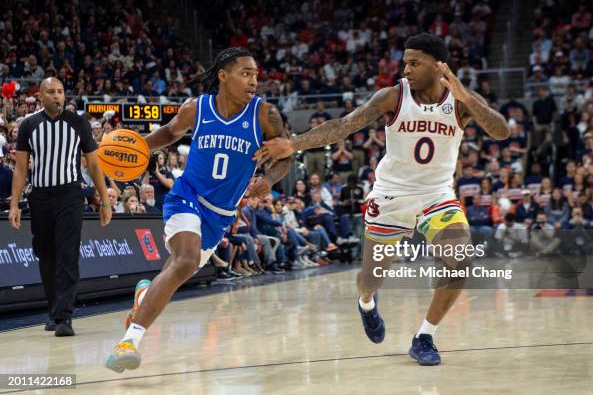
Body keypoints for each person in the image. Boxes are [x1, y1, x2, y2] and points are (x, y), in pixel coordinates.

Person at [255, 33, 509, 366]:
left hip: (437, 195)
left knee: (460, 261)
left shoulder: (461, 100)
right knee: (372, 277)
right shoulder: (393, 96)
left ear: (438, 66)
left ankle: (424, 336)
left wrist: (467, 97)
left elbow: (502, 130)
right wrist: (294, 143)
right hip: (392, 195)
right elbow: (344, 126)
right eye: (405, 62)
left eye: (414, 63)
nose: (406, 69)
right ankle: (366, 302)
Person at [105, 48, 290, 372]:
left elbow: (286, 155)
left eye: (256, 75)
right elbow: (169, 133)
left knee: (178, 270)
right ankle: (128, 342)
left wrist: (269, 178)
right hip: (187, 196)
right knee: (186, 259)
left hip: (221, 214)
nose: (253, 81)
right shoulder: (197, 108)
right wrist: (134, 148)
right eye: (245, 73)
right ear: (223, 75)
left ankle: (143, 298)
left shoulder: (265, 114)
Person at [9, 77, 112, 337]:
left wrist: (105, 200)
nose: (57, 96)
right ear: (40, 97)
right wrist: (14, 204)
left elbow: (94, 164)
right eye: (51, 92)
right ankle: (54, 309)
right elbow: (20, 169)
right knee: (46, 254)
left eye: (60, 92)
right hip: (40, 197)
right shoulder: (29, 125)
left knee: (67, 254)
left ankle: (64, 317)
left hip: (70, 195)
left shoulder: (79, 124)